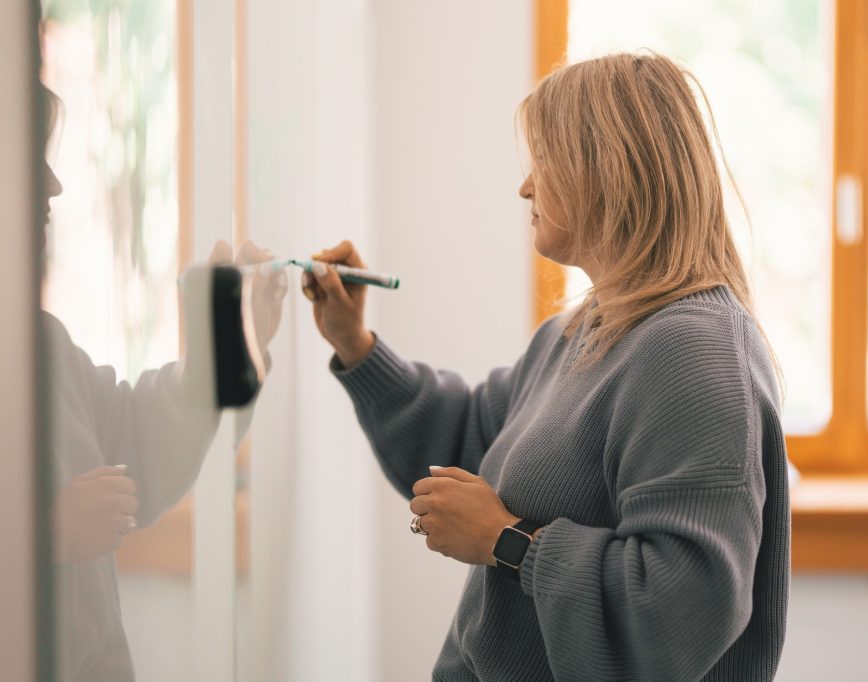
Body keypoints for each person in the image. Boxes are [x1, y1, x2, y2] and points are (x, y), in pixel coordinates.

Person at [302, 52, 790, 681]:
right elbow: (472, 440)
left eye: (544, 161)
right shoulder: (583, 329)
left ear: (605, 169)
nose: (526, 187)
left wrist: (509, 541)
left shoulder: (695, 354)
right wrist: (355, 344)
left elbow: (679, 610)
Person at [37, 83, 285, 680]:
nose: (53, 185)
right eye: (29, 157)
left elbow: (135, 452)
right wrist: (41, 540)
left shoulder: (40, 342)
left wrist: (230, 347)